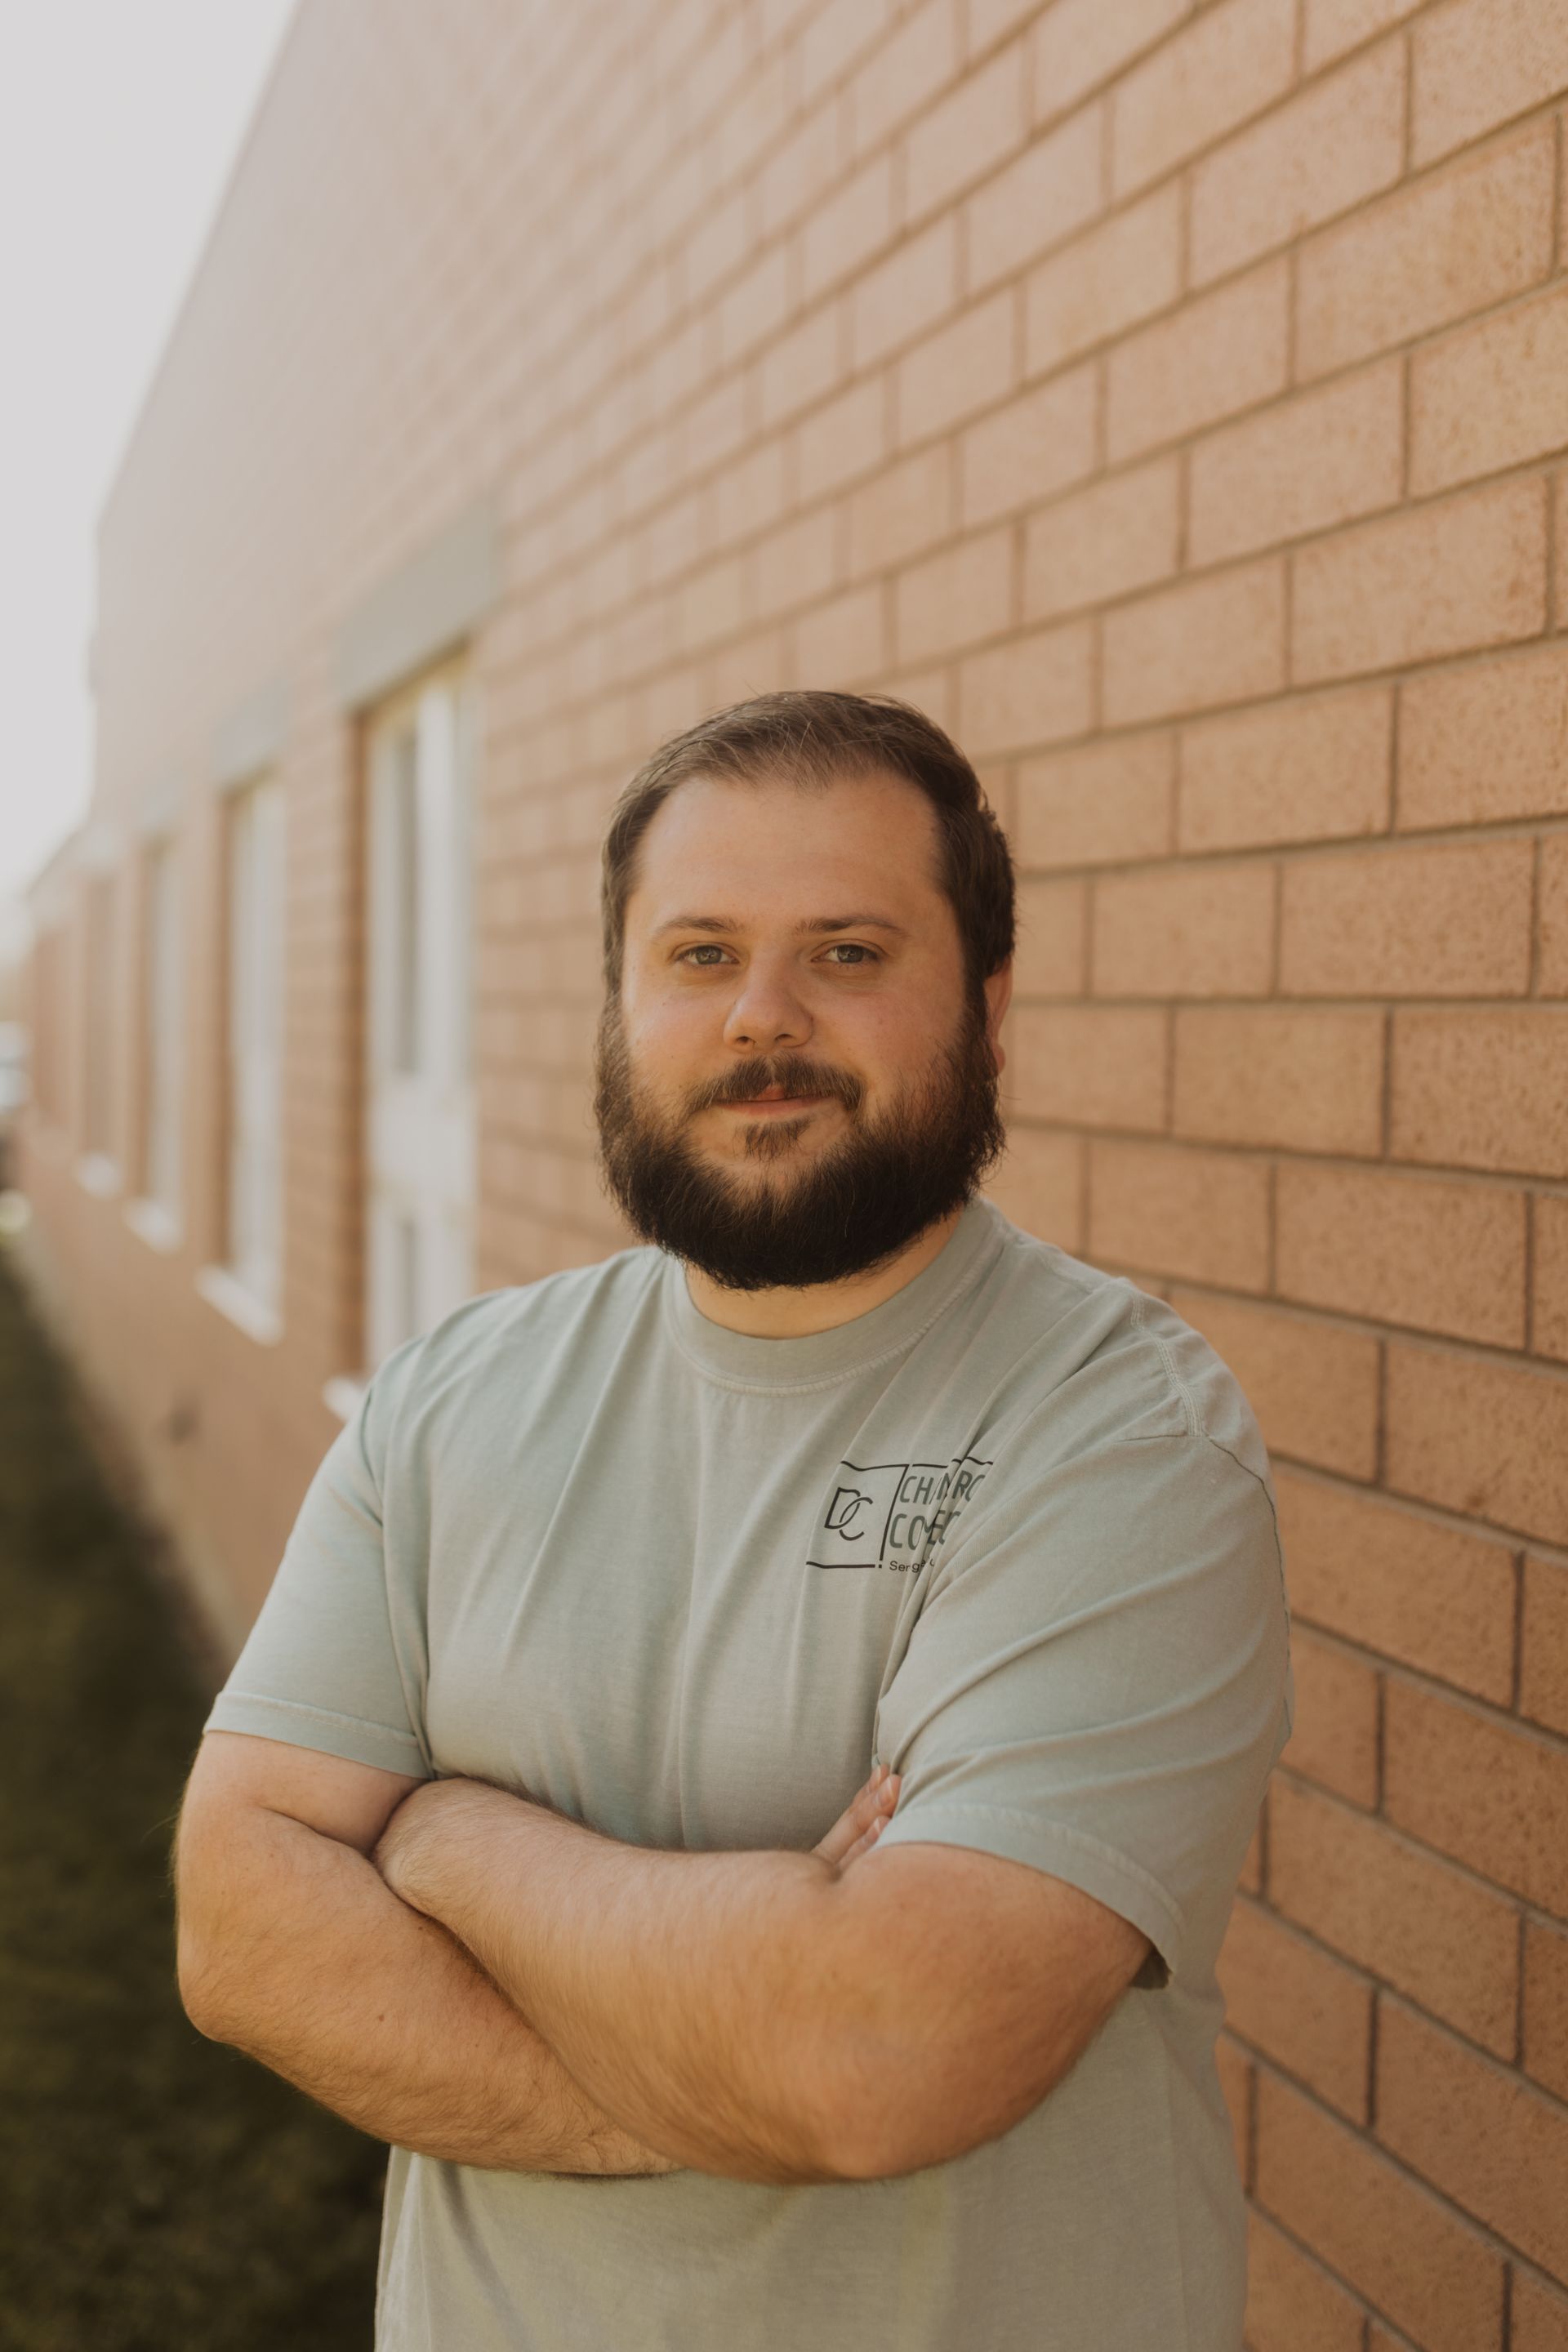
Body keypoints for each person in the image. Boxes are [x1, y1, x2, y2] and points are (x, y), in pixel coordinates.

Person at [174, 688, 1293, 2352]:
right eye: (698, 955)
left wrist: (445, 1842)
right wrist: (714, 2077)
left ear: (987, 1010)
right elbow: (240, 1927)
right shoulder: (452, 1403)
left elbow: (877, 2056)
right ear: (623, 1004)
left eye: (848, 952)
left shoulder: (1121, 1430)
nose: (763, 1019)